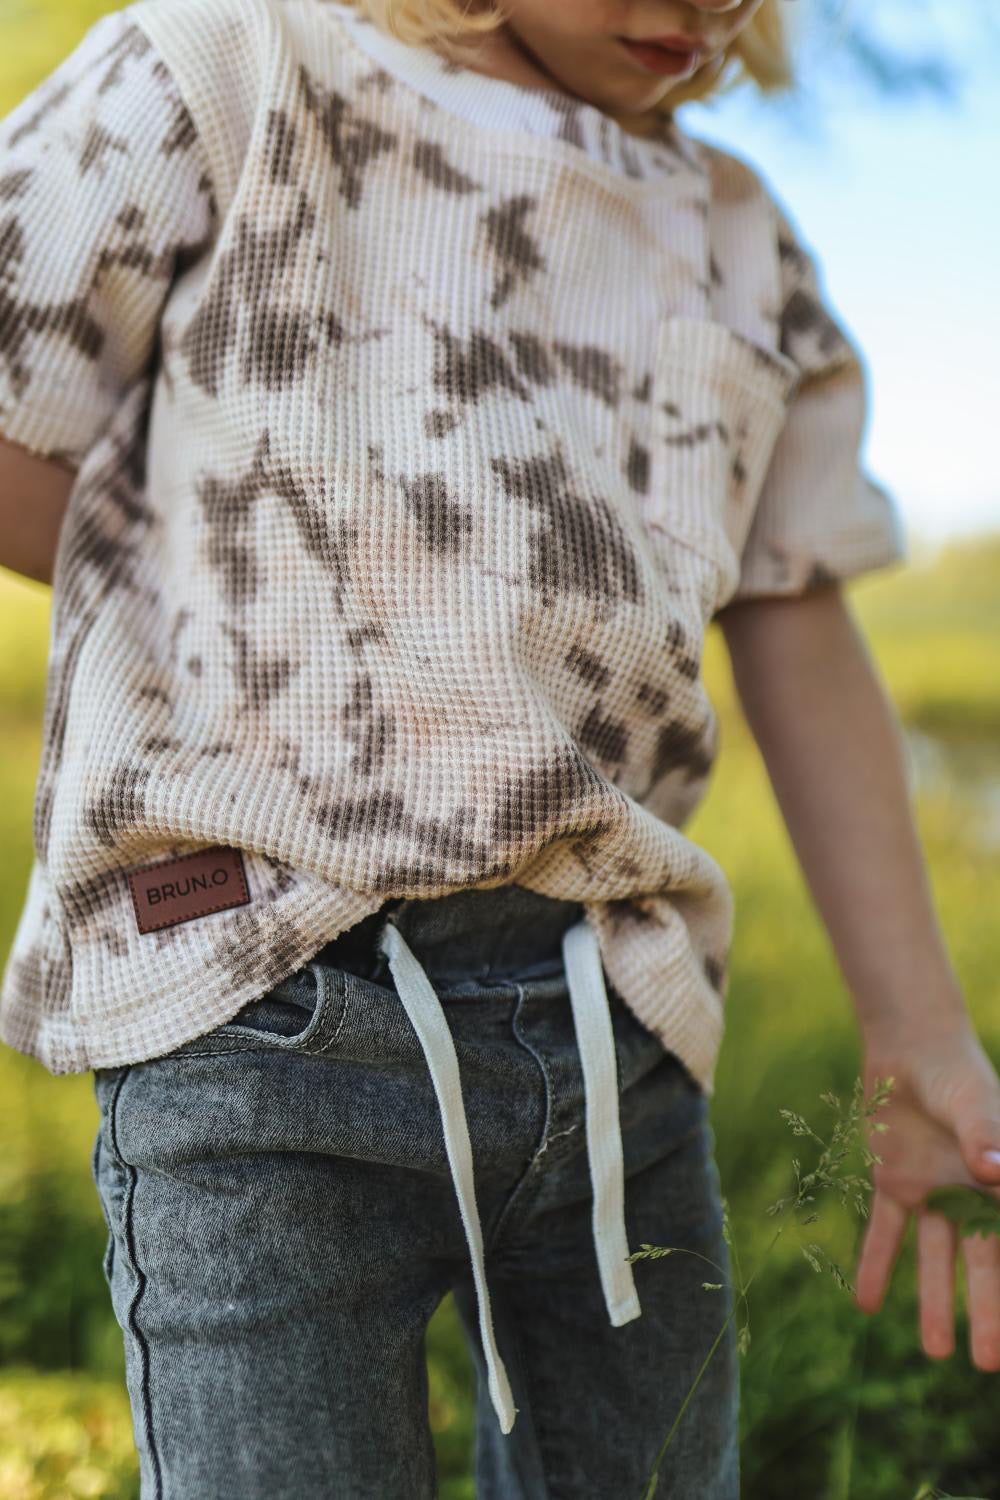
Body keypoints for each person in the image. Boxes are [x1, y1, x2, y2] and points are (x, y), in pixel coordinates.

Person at [1, 0, 999, 1494]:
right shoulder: (224, 67)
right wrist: (237, 604)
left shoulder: (735, 235)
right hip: (257, 1002)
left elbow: (799, 620)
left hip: (614, 1019)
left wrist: (922, 1039)